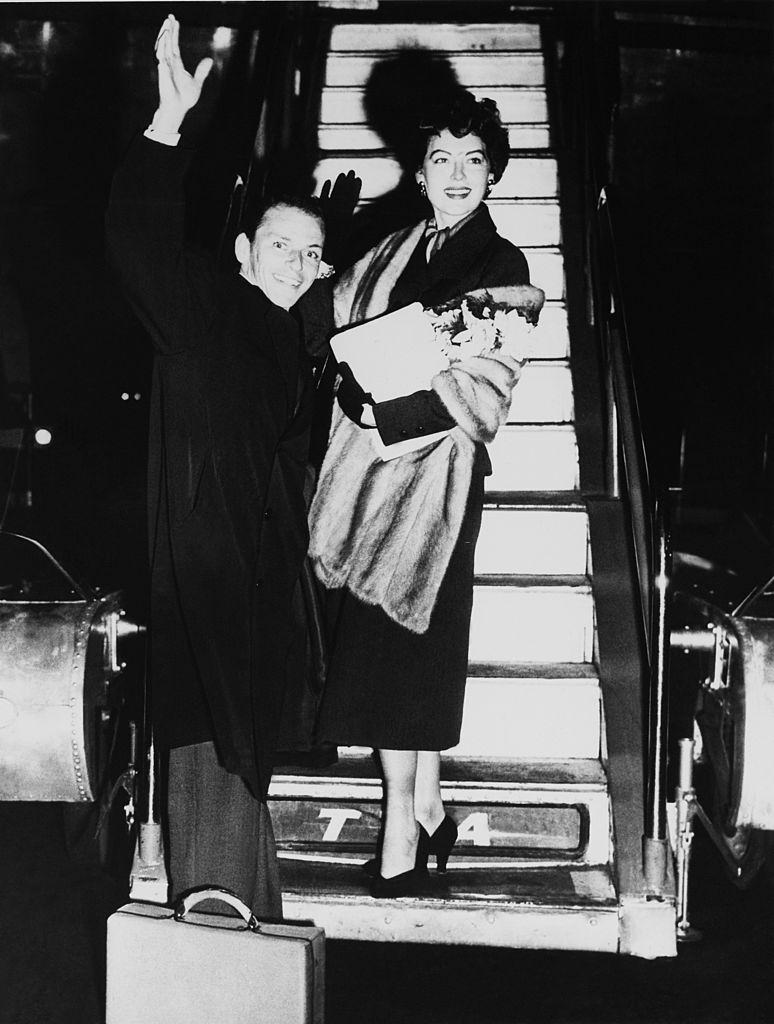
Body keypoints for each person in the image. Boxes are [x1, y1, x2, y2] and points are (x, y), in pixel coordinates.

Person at [106, 15, 329, 917]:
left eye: (314, 254)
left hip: (263, 599)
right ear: (242, 252)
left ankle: (254, 959)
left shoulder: (297, 343)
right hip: (206, 596)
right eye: (281, 246)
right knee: (212, 775)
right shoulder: (202, 304)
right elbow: (136, 245)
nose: (299, 264)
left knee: (247, 782)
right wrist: (167, 131)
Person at [308, 89, 544, 897]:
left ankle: (401, 827)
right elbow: (341, 339)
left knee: (407, 652)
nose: (457, 175)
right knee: (382, 645)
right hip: (368, 472)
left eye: (474, 161)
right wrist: (355, 397)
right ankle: (432, 801)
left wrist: (387, 408)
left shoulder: (502, 263)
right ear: (418, 171)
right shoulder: (390, 249)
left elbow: (488, 382)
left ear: (492, 175)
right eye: (441, 159)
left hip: (436, 479)